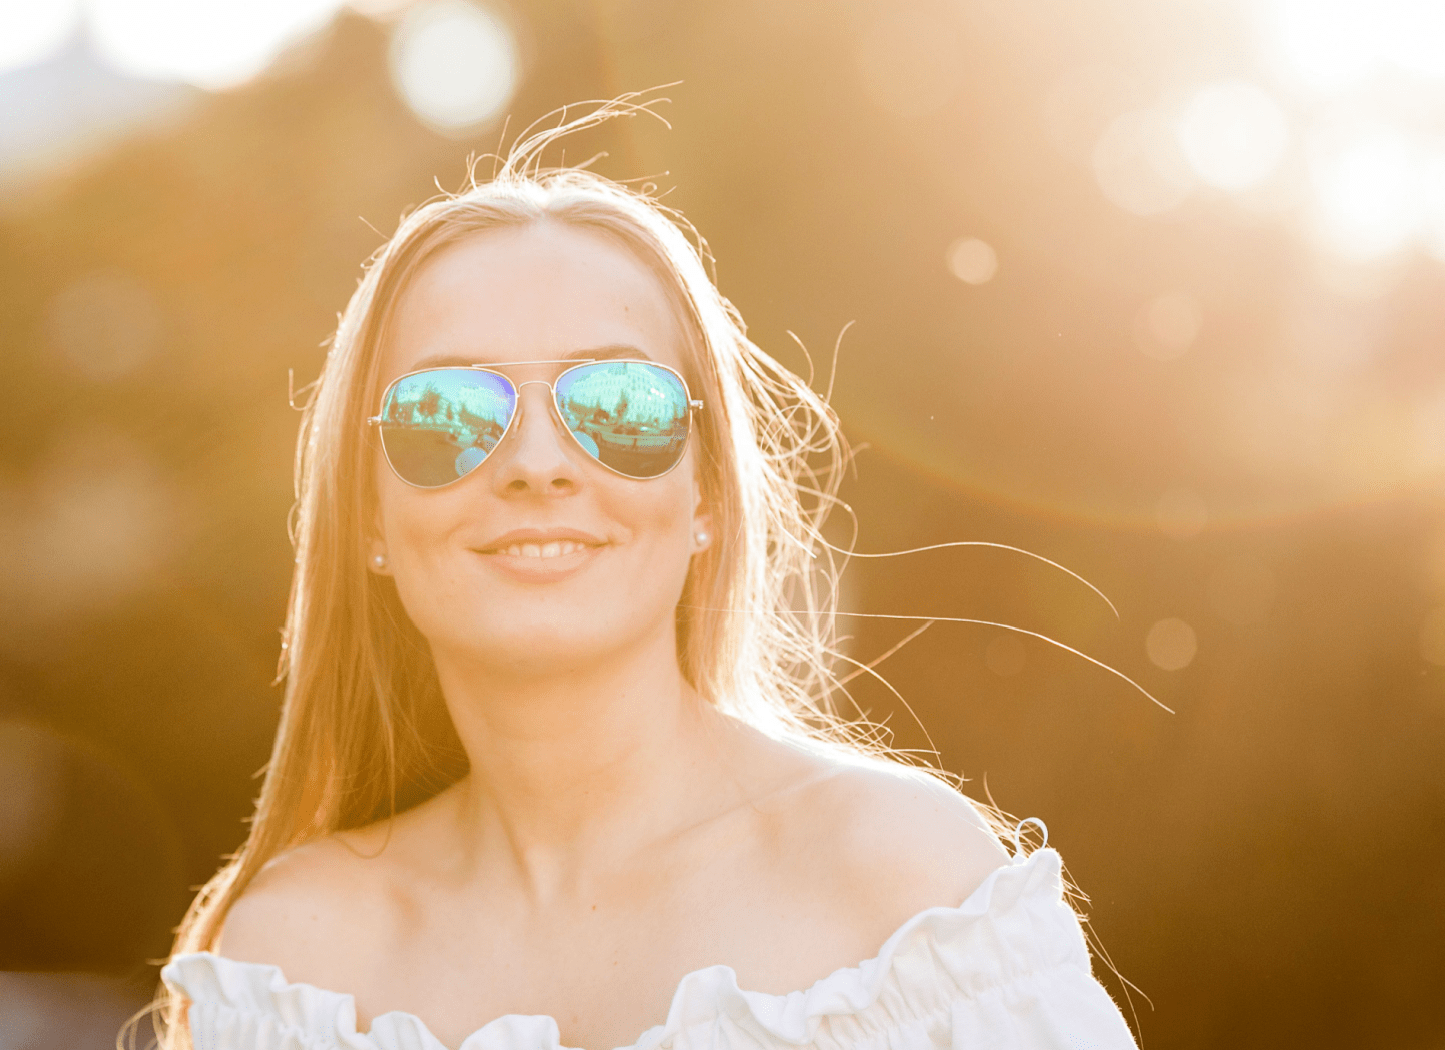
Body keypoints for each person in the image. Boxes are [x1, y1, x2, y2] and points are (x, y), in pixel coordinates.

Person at [151, 104, 1139, 1050]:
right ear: (368, 513)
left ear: (706, 493)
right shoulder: (294, 969)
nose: (538, 462)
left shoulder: (904, 893)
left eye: (617, 400)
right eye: (446, 410)